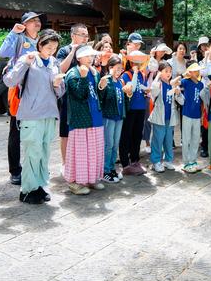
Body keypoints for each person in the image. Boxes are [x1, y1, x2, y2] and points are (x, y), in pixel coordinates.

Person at [3, 29, 64, 204]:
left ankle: (39, 186)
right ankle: (27, 190)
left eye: (54, 47)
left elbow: (60, 92)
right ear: (40, 45)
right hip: (31, 114)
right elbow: (10, 81)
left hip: (50, 113)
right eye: (48, 46)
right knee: (32, 151)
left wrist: (58, 84)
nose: (51, 50)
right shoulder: (28, 59)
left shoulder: (54, 62)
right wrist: (24, 64)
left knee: (44, 151)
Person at [0, 11, 44, 186]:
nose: (37, 23)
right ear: (24, 24)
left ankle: (34, 166)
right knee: (16, 132)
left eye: (38, 20)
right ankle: (15, 170)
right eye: (32, 20)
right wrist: (13, 32)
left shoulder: (42, 40)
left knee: (36, 130)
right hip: (19, 90)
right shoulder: (18, 39)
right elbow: (3, 53)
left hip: (38, 91)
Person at [64, 45, 106, 195]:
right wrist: (82, 78)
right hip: (81, 120)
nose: (91, 59)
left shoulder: (94, 73)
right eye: (87, 56)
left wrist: (101, 87)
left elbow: (97, 97)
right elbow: (79, 95)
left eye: (92, 56)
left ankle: (92, 178)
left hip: (95, 118)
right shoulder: (73, 73)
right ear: (79, 57)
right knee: (81, 152)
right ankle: (75, 182)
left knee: (94, 151)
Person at [56, 23, 89, 175]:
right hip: (67, 96)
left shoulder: (87, 52)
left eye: (86, 35)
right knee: (65, 132)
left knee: (81, 130)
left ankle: (79, 162)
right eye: (82, 34)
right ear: (73, 35)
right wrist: (73, 51)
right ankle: (64, 163)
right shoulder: (64, 50)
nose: (85, 37)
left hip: (83, 95)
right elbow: (60, 69)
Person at [148, 61, 183, 173]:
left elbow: (182, 101)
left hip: (170, 118)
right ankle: (156, 162)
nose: (168, 73)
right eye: (166, 71)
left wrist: (178, 93)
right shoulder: (158, 84)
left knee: (168, 140)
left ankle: (168, 160)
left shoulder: (171, 85)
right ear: (160, 72)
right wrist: (157, 76)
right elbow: (153, 91)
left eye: (170, 71)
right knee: (157, 140)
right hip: (159, 118)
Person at [119, 51, 149, 175]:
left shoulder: (142, 74)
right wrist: (136, 73)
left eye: (140, 62)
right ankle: (125, 163)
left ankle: (135, 160)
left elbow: (142, 87)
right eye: (136, 62)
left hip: (141, 107)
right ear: (131, 62)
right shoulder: (126, 75)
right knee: (126, 135)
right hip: (130, 109)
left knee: (137, 135)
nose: (138, 64)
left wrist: (147, 90)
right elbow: (133, 87)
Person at [98, 54, 127, 183]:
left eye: (121, 69)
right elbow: (102, 98)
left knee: (115, 144)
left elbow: (124, 101)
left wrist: (129, 94)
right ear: (110, 67)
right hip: (108, 117)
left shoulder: (121, 82)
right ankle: (105, 170)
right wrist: (102, 87)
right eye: (116, 68)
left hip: (119, 117)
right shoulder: (106, 81)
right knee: (108, 145)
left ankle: (111, 168)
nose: (119, 71)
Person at [145, 43, 173, 153]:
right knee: (150, 119)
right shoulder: (150, 60)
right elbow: (147, 71)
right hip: (150, 92)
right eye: (160, 50)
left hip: (161, 93)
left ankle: (160, 145)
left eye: (164, 51)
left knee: (161, 121)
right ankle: (148, 142)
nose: (162, 53)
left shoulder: (165, 64)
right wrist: (151, 57)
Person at [180, 63, 204, 173]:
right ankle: (185, 163)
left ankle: (193, 161)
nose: (197, 72)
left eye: (198, 70)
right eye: (194, 70)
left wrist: (202, 115)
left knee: (195, 139)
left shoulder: (201, 84)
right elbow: (174, 83)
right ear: (190, 72)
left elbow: (202, 101)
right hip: (187, 114)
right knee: (186, 139)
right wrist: (183, 75)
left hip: (197, 115)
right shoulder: (185, 82)